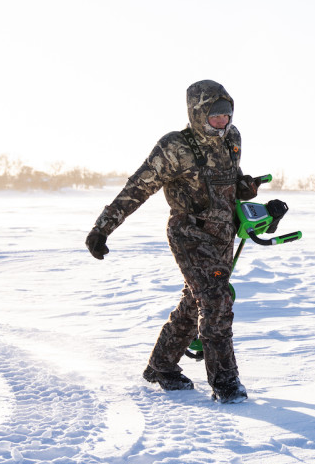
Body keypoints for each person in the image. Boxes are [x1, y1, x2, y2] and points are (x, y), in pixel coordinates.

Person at [85, 80, 259, 401]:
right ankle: (225, 384)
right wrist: (102, 228)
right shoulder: (174, 147)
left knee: (195, 302)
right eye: (214, 114)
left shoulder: (232, 139)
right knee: (216, 301)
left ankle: (161, 366)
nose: (223, 120)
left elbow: (231, 182)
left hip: (223, 235)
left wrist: (249, 190)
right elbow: (137, 188)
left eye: (227, 113)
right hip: (189, 234)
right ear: (196, 112)